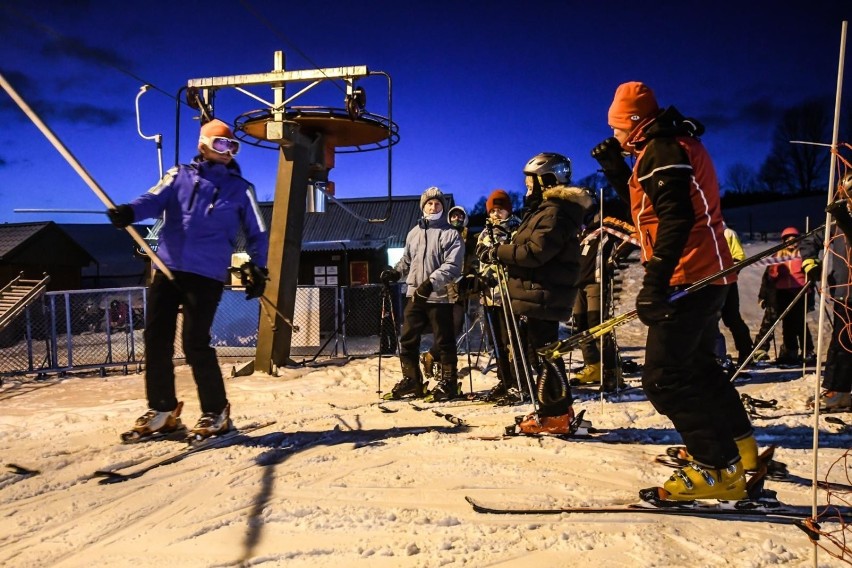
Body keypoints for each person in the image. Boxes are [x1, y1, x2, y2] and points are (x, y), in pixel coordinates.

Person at [591, 81, 758, 501]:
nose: (614, 135)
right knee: (699, 366)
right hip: (707, 275)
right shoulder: (664, 146)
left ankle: (717, 467)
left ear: (632, 122)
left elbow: (675, 220)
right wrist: (617, 172)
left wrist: (656, 283)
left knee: (665, 378)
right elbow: (651, 206)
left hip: (690, 275)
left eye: (616, 128)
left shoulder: (663, 150)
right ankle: (737, 448)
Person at [107, 119, 269, 441]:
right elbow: (151, 200)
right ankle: (163, 410)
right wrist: (129, 212)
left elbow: (259, 232)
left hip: (206, 274)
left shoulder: (241, 188)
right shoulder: (178, 175)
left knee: (195, 342)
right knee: (156, 340)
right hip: (168, 269)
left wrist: (258, 267)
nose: (228, 151)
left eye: (233, 146)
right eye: (222, 144)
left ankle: (216, 411)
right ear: (204, 144)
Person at [479, 153, 593, 434]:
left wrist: (497, 252)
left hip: (543, 292)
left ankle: (554, 414)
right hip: (538, 292)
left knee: (542, 353)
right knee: (544, 353)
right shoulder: (547, 210)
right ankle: (556, 408)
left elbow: (534, 252)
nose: (527, 189)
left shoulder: (554, 212)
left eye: (531, 184)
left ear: (547, 181)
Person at [380, 187, 464, 401]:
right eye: (429, 203)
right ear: (423, 206)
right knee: (407, 338)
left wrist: (431, 283)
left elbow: (452, 266)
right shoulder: (413, 233)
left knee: (444, 340)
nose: (433, 206)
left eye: (437, 204)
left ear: (442, 208)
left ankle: (449, 382)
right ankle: (412, 380)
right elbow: (407, 261)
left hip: (439, 296)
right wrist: (395, 272)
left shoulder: (450, 233)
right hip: (415, 294)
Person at [799, 172, 852, 412]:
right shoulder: (836, 223)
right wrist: (810, 262)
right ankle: (838, 391)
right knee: (842, 343)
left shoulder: (844, 220)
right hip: (844, 292)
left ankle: (839, 391)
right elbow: (810, 240)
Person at [571, 206, 638, 392]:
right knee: (580, 328)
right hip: (577, 284)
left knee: (599, 326)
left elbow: (635, 234)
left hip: (597, 282)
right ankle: (593, 366)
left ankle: (612, 371)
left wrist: (615, 256)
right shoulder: (579, 229)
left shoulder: (607, 223)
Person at [475, 189, 522, 402]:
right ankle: (505, 379)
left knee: (512, 339)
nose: (496, 214)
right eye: (493, 210)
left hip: (508, 294)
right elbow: (481, 258)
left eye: (500, 210)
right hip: (489, 295)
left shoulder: (516, 228)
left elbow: (515, 256)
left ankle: (518, 380)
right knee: (497, 343)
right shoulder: (485, 233)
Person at [421, 205, 476, 381]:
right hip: (444, 288)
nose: (456, 219)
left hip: (462, 289)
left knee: (455, 328)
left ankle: (435, 359)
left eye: (460, 216)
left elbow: (473, 261)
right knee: (447, 328)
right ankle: (435, 359)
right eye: (453, 216)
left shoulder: (470, 240)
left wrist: (471, 276)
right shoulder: (443, 235)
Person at [758, 227, 814, 366]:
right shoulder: (777, 256)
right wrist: (763, 296)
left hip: (799, 292)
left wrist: (811, 295)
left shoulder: (802, 254)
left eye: (794, 239)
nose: (791, 242)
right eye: (788, 240)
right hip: (781, 293)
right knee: (781, 323)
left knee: (799, 323)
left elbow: (811, 275)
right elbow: (767, 278)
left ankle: (807, 351)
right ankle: (786, 351)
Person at [718, 223, 755, 367]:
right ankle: (715, 355)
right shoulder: (703, 233)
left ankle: (746, 352)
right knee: (710, 320)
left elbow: (739, 257)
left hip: (727, 282)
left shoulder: (728, 233)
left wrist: (729, 274)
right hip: (709, 284)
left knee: (731, 318)